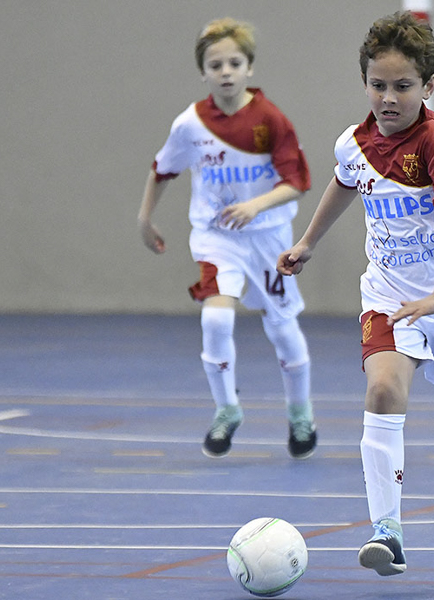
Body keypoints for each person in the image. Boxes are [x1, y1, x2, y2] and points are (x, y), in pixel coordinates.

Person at [277, 11, 434, 577]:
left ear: (428, 87)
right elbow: (345, 182)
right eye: (378, 85)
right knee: (384, 391)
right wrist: (309, 241)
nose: (388, 98)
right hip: (388, 296)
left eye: (402, 87)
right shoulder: (354, 141)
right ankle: (387, 532)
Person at [138, 18, 318, 460]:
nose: (225, 71)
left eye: (234, 63)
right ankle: (227, 409)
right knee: (216, 320)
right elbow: (162, 169)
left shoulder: (271, 121)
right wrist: (145, 218)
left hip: (268, 239)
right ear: (203, 72)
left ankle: (300, 414)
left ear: (249, 68)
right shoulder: (190, 124)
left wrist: (256, 206)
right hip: (217, 238)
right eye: (215, 64)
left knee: (281, 327)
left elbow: (297, 182)